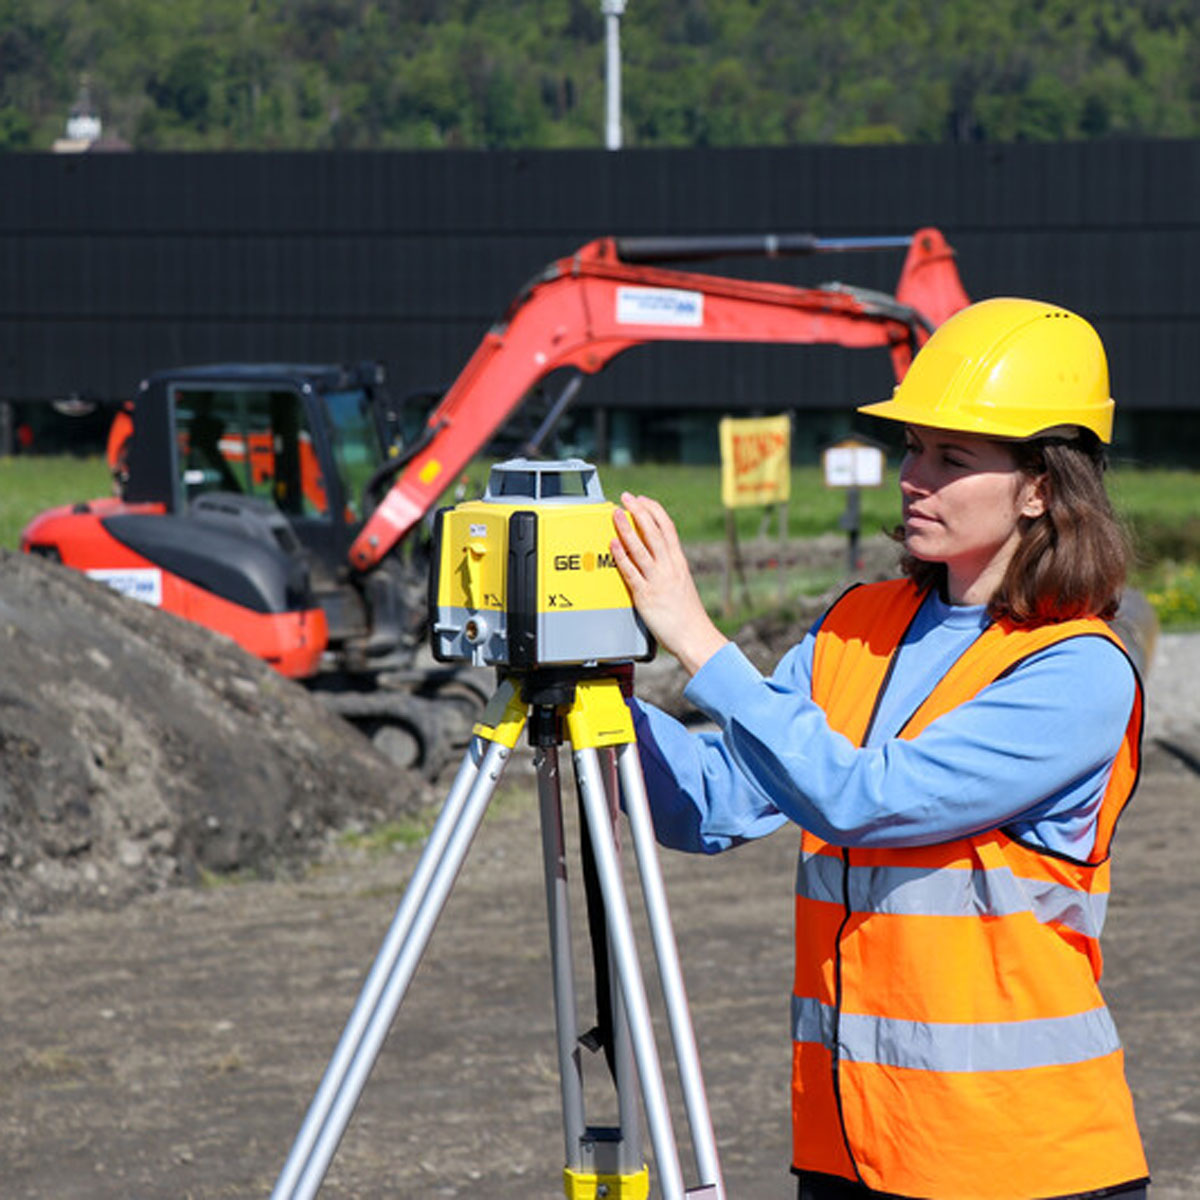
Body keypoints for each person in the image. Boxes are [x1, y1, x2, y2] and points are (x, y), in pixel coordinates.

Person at [609, 297, 1150, 1200]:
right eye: (911, 448)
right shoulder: (857, 626)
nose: (915, 477)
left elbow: (865, 798)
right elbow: (709, 804)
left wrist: (697, 641)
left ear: (1041, 486)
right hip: (851, 1145)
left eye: (952, 457)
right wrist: (595, 698)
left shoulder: (1076, 670)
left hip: (1018, 1159)